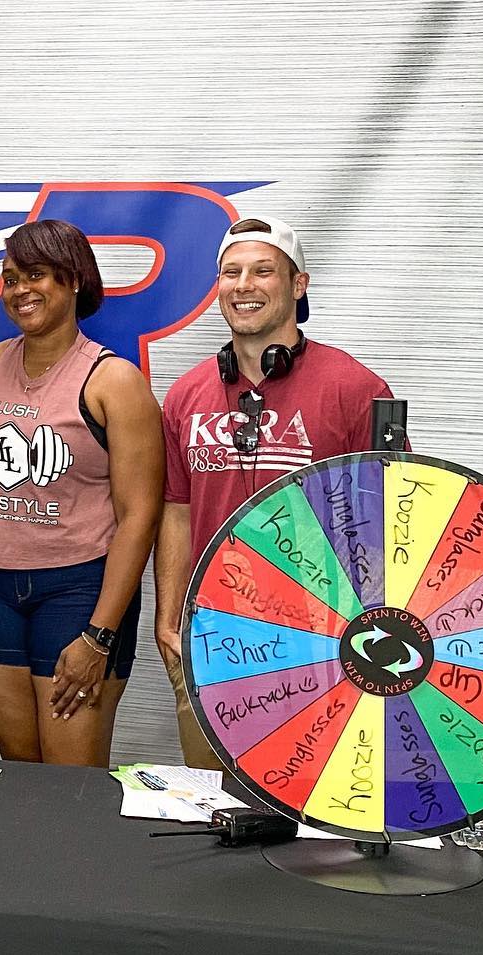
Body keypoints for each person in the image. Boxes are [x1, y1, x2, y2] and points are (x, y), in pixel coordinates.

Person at [154, 215, 395, 770]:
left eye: (264, 271)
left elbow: (392, 520)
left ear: (298, 284)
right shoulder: (187, 394)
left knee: (311, 805)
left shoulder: (356, 389)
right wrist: (170, 613)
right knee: (215, 807)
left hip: (325, 638)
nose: (245, 285)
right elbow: (176, 507)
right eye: (231, 272)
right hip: (213, 630)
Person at [0, 219, 164, 767]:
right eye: (9, 279)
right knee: (18, 762)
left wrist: (99, 634)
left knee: (71, 778)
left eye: (36, 275)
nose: (19, 289)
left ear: (74, 280)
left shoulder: (113, 381)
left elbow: (139, 516)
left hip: (77, 591)